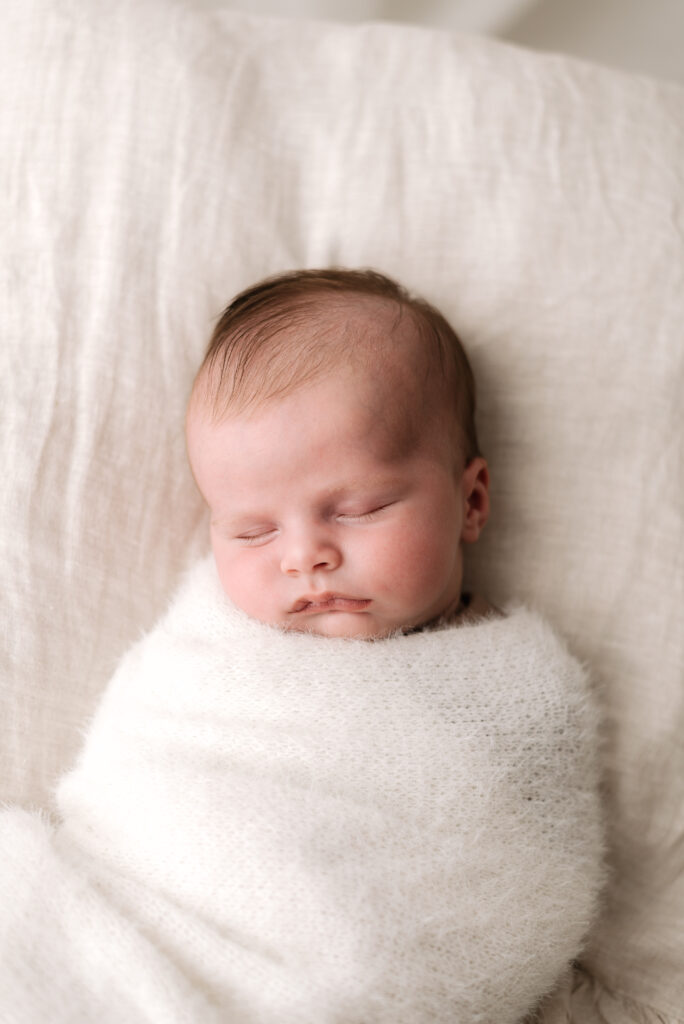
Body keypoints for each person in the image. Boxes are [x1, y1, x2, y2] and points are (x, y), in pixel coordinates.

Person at [185, 266, 499, 638]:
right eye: (254, 532)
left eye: (359, 511)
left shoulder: (518, 668)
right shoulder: (203, 649)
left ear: (470, 502)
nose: (303, 558)